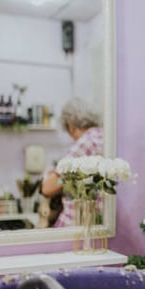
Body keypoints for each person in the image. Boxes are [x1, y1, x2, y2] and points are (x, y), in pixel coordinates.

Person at [41, 97, 103, 227]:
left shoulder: (85, 143)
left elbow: (48, 188)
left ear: (70, 124)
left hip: (77, 221)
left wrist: (48, 176)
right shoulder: (103, 136)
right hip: (98, 219)